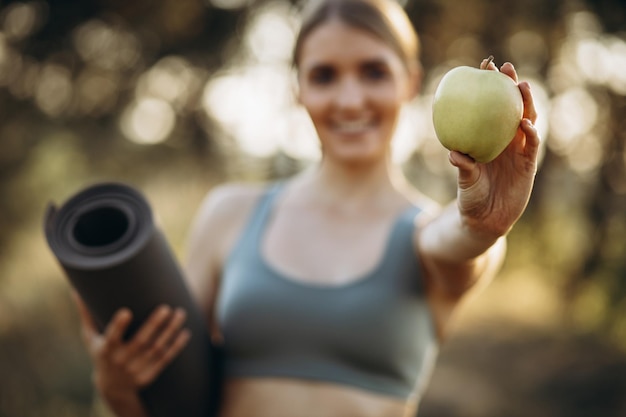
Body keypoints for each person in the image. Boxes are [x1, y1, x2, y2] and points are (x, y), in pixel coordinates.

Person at [74, 0, 540, 416]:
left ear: (411, 83)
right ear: (298, 90)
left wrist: (482, 225)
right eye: (324, 75)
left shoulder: (428, 231)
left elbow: (462, 240)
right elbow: (172, 396)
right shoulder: (229, 215)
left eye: (374, 72)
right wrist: (117, 390)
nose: (349, 99)